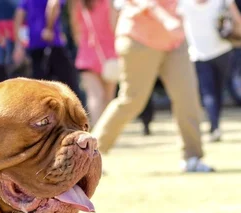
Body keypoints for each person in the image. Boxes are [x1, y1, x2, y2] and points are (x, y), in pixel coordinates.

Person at [93, 0, 214, 173]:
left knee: (187, 98)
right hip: (139, 39)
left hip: (174, 41)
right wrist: (165, 19)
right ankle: (91, 155)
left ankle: (192, 158)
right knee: (132, 100)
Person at [178, 0, 241, 142]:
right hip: (222, 49)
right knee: (217, 90)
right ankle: (215, 124)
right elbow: (237, 19)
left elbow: (178, 26)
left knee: (208, 91)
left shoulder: (183, 3)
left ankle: (214, 125)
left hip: (198, 53)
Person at [13, 0, 82, 97]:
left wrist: (18, 44)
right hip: (52, 44)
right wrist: (49, 28)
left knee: (38, 89)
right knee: (71, 88)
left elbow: (19, 15)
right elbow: (53, 4)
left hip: (34, 45)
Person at [69, 0, 118, 126]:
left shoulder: (78, 3)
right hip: (109, 54)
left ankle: (96, 132)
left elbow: (75, 29)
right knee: (108, 99)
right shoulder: (109, 2)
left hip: (87, 53)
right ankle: (105, 133)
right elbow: (114, 26)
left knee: (95, 97)